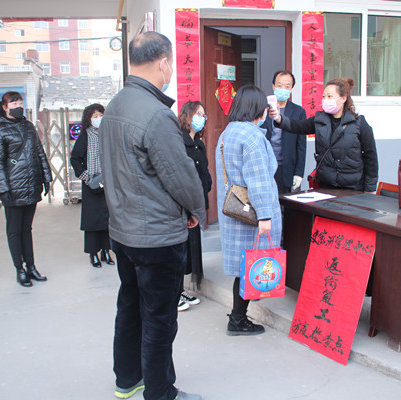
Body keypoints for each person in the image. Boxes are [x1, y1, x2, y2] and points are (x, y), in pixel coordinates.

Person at [99, 32, 205, 400]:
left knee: (130, 306)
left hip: (123, 231)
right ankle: (160, 392)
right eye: (171, 63)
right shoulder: (157, 114)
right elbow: (181, 176)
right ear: (163, 63)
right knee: (159, 317)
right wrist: (196, 210)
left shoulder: (114, 106)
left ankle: (128, 378)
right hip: (156, 236)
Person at [215, 84, 282, 336]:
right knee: (251, 265)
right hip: (252, 213)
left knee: (244, 265)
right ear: (258, 109)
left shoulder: (228, 133)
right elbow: (259, 179)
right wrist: (265, 215)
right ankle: (238, 320)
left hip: (235, 210)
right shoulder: (252, 136)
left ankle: (238, 316)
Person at [270, 77, 378, 193]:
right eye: (323, 96)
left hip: (353, 187)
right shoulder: (319, 120)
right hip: (326, 186)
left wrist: (370, 188)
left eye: (330, 96)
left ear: (343, 98)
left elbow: (371, 157)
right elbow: (298, 126)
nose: (325, 100)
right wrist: (279, 118)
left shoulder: (359, 123)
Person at [0, 91, 52, 287]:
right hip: (13, 188)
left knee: (27, 229)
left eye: (20, 103)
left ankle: (31, 267)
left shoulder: (28, 126)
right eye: (13, 103)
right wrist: (3, 189)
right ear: (5, 107)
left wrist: (46, 177)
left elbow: (39, 152)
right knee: (14, 231)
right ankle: (20, 270)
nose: (18, 106)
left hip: (31, 184)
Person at [177, 101, 212, 311]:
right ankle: (174, 294)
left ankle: (180, 290)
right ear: (187, 116)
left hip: (197, 203)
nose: (201, 118)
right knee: (180, 250)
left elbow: (203, 171)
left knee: (190, 250)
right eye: (198, 114)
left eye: (203, 115)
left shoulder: (198, 142)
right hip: (184, 205)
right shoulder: (179, 142)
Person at [70, 103, 115, 268]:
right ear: (88, 119)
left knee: (107, 220)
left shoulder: (109, 135)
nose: (98, 119)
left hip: (107, 183)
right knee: (92, 222)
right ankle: (93, 253)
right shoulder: (85, 136)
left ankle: (106, 251)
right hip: (91, 184)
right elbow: (75, 159)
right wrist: (85, 177)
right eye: (95, 116)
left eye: (101, 115)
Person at [263, 70, 307, 194]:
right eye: (279, 85)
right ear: (273, 86)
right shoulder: (263, 109)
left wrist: (299, 173)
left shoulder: (298, 112)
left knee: (286, 202)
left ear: (291, 88)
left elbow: (301, 145)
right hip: (266, 165)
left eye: (287, 86)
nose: (283, 89)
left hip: (287, 167)